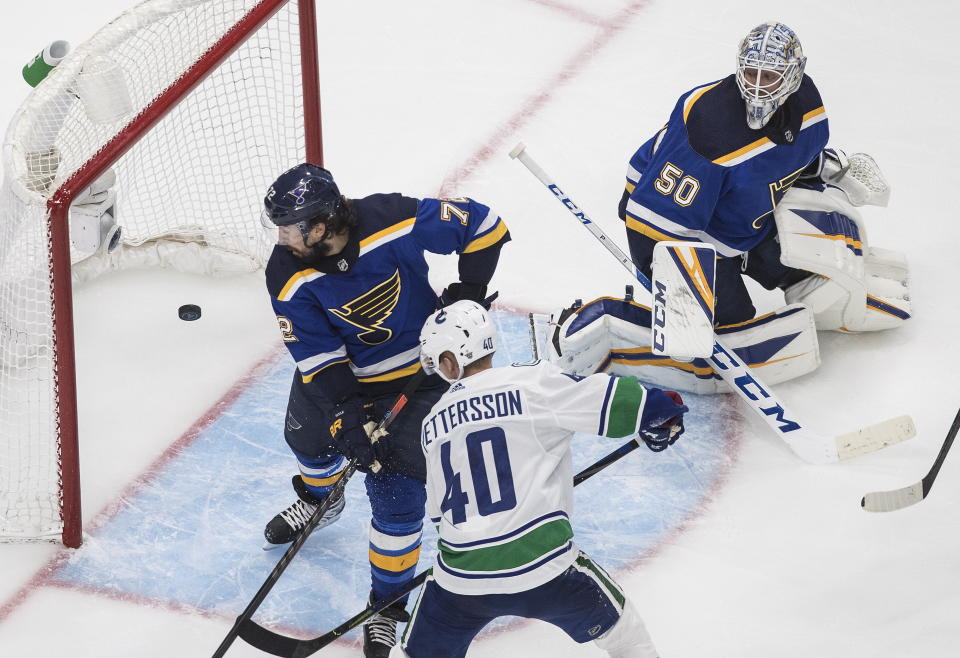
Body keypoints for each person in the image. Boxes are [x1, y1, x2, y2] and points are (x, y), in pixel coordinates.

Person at [549, 21, 910, 394]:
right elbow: (652, 222)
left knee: (816, 278)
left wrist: (831, 168)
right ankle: (607, 326)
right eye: (750, 72)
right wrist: (682, 301)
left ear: (793, 75)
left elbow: (785, 158)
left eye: (768, 75)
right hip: (672, 228)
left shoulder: (808, 104)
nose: (755, 85)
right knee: (722, 334)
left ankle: (778, 278)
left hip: (746, 219)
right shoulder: (709, 127)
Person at [259, 163, 510, 657]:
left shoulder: (390, 218)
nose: (282, 236)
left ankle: (386, 605)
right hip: (345, 380)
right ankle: (321, 499)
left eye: (292, 225)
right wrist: (347, 413)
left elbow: (486, 227)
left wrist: (469, 292)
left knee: (396, 495)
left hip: (423, 377)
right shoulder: (285, 271)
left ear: (323, 222)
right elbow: (317, 355)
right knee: (308, 441)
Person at [389, 301, 688, 657]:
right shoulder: (531, 381)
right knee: (625, 634)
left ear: (450, 359)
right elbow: (612, 400)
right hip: (543, 568)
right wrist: (663, 411)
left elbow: (440, 515)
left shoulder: (431, 423)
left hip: (461, 580)